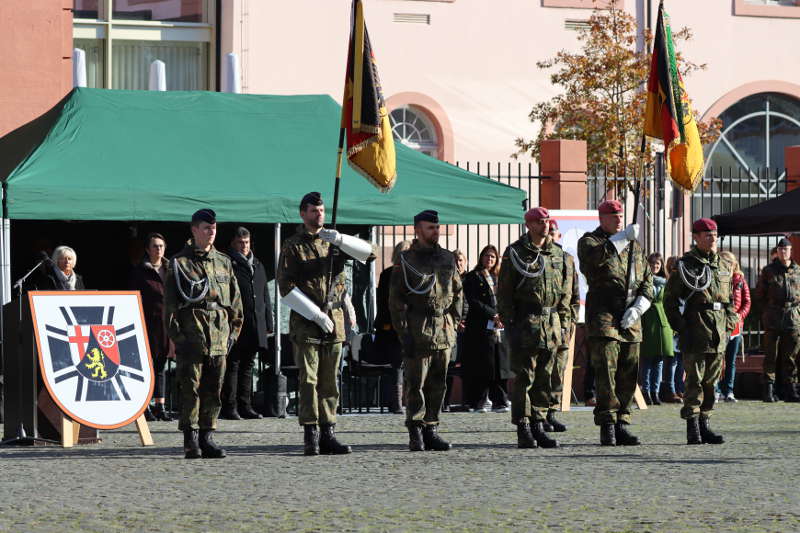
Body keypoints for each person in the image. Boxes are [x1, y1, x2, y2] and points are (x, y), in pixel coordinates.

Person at [277, 192, 374, 456]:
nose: (318, 214)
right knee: (309, 380)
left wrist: (341, 240)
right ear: (302, 214)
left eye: (320, 210)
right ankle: (311, 433)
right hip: (308, 323)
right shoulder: (293, 245)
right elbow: (285, 287)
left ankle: (329, 431)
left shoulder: (334, 241)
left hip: (335, 320)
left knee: (330, 380)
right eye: (313, 210)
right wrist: (315, 315)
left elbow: (370, 253)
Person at [165, 208, 244, 459]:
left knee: (214, 387)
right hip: (192, 334)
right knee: (191, 387)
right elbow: (169, 307)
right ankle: (191, 438)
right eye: (206, 228)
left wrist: (233, 333)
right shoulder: (179, 263)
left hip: (219, 334)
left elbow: (235, 301)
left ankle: (208, 435)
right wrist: (178, 338)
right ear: (194, 230)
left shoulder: (223, 261)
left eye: (214, 229)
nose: (211, 233)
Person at [578, 200, 653, 446]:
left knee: (628, 374)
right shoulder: (590, 242)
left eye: (620, 216)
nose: (619, 220)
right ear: (602, 218)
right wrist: (620, 238)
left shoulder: (636, 247)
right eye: (613, 216)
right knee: (606, 374)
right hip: (604, 316)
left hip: (630, 317)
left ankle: (622, 421)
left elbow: (647, 280)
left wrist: (641, 305)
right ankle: (607, 425)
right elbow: (593, 262)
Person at [389, 209, 463, 452]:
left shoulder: (447, 258)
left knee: (438, 383)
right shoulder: (406, 260)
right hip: (418, 327)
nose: (436, 231)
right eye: (430, 227)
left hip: (443, 329)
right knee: (416, 384)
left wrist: (454, 321)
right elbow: (396, 300)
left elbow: (458, 291)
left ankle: (432, 427)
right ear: (417, 230)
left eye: (437, 227)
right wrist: (404, 333)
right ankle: (415, 429)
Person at [498, 207, 571, 449]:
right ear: (528, 225)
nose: (545, 225)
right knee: (524, 379)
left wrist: (564, 323)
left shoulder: (556, 254)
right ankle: (524, 427)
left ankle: (539, 424)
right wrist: (511, 326)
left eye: (547, 221)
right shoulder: (516, 253)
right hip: (525, 324)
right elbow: (505, 294)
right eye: (539, 222)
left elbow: (564, 294)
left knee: (544, 378)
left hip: (551, 325)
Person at [664, 218, 737, 445]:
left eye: (714, 234)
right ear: (695, 237)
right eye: (707, 234)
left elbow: (730, 300)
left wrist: (729, 322)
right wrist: (681, 326)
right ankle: (692, 426)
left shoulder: (723, 265)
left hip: (718, 332)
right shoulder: (686, 265)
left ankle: (705, 422)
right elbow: (670, 300)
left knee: (711, 381)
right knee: (694, 381)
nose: (712, 238)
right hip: (695, 328)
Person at [221, 227, 274, 420]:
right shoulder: (228, 263)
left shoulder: (257, 264)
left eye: (247, 243)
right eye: (241, 243)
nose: (244, 246)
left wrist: (269, 321)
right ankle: (230, 406)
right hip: (236, 323)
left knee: (248, 366)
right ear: (233, 243)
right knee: (233, 364)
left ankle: (246, 405)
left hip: (255, 323)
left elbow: (264, 296)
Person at [129, 233, 173, 422]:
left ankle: (160, 406)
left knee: (161, 366)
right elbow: (133, 297)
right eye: (155, 246)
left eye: (161, 246)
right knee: (147, 367)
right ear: (148, 249)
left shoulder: (171, 269)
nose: (159, 249)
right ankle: (144, 407)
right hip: (147, 323)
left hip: (167, 324)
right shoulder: (140, 271)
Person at [462, 245, 510, 413]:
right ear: (481, 257)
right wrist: (492, 315)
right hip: (481, 327)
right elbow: (474, 302)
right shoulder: (473, 277)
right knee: (483, 365)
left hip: (499, 328)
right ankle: (480, 401)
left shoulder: (499, 277)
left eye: (493, 257)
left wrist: (502, 316)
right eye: (487, 256)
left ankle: (500, 401)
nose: (489, 260)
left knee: (500, 365)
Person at [755, 237, 800, 403]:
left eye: (786, 249)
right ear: (777, 251)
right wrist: (766, 313)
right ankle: (769, 389)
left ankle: (791, 390)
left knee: (791, 355)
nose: (783, 252)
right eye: (780, 249)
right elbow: (759, 295)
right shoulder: (769, 271)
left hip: (792, 317)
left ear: (790, 251)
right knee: (771, 355)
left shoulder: (797, 270)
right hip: (773, 316)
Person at [544, 218, 579, 430]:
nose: (551, 235)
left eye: (554, 232)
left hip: (563, 326)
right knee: (542, 373)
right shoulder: (538, 259)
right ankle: (536, 414)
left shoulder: (567, 260)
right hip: (542, 326)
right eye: (549, 231)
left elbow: (575, 294)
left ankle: (551, 412)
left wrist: (571, 320)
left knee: (558, 371)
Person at [374, 241, 411, 414]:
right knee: (396, 364)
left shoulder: (413, 274)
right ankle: (396, 403)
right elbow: (383, 302)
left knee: (408, 364)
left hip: (410, 326)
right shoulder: (388, 274)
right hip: (392, 327)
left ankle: (407, 401)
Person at [716, 251, 750, 403]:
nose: (727, 265)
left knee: (730, 360)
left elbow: (747, 302)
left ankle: (728, 391)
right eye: (724, 262)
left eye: (729, 262)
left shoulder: (740, 280)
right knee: (717, 358)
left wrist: (740, 315)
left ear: (734, 264)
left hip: (735, 324)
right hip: (719, 322)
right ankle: (715, 390)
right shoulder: (716, 278)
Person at [639, 253, 672, 406]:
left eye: (658, 265)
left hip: (662, 324)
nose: (655, 267)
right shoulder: (643, 281)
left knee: (659, 360)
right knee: (647, 359)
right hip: (648, 322)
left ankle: (655, 392)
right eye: (652, 264)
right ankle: (645, 392)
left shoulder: (666, 283)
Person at [443, 249, 468, 412]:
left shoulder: (470, 278)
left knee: (467, 366)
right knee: (449, 366)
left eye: (460, 260)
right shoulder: (447, 278)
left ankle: (467, 400)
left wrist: (464, 319)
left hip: (469, 327)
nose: (458, 263)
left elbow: (469, 301)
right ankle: (445, 401)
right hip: (451, 327)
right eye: (455, 260)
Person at [660, 256, 684, 403]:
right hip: (672, 323)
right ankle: (670, 390)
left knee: (681, 361)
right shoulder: (668, 283)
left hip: (683, 323)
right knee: (672, 360)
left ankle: (679, 388)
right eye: (673, 266)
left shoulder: (685, 282)